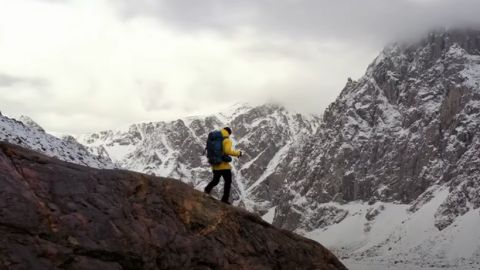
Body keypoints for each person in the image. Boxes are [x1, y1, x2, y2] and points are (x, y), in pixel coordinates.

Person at [204, 127, 242, 204]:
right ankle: (224, 199)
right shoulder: (227, 140)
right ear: (229, 133)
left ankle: (207, 190)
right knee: (228, 182)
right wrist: (238, 153)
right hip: (224, 166)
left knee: (215, 180)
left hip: (214, 164)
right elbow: (227, 151)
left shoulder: (214, 138)